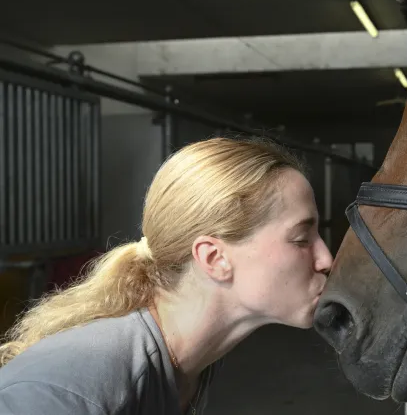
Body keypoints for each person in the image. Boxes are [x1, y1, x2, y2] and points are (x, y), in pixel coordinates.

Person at [0, 137, 334, 415]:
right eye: (301, 240)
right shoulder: (67, 392)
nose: (326, 259)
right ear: (214, 258)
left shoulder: (191, 364)